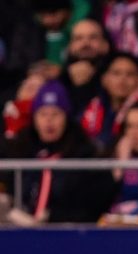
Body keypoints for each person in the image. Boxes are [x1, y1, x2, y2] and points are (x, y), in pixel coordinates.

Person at [1, 80, 115, 223]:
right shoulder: (19, 149)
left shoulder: (85, 153)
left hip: (66, 229)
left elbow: (94, 203)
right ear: (34, 118)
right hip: (20, 227)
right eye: (43, 114)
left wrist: (54, 216)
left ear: (66, 117)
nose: (49, 121)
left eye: (55, 114)